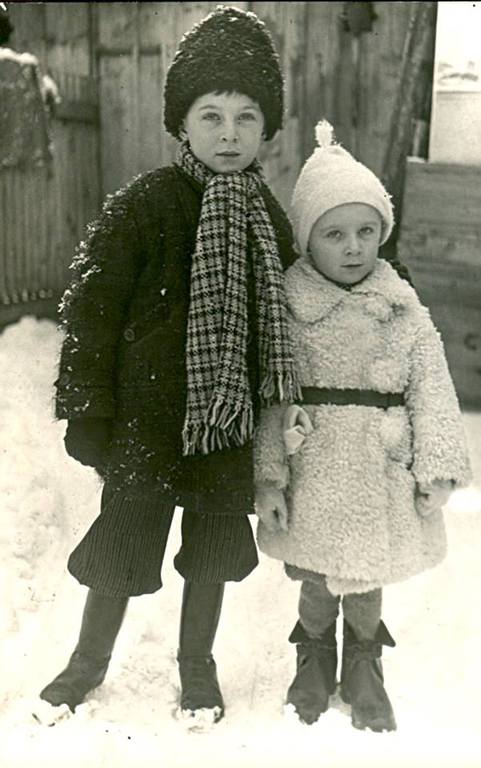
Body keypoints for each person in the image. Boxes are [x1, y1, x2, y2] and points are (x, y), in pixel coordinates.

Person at [36, 5, 302, 728]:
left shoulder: (266, 218)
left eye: (245, 118)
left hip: (225, 420)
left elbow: (297, 308)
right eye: (210, 116)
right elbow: (91, 312)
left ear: (266, 130)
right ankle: (86, 662)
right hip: (147, 417)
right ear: (180, 125)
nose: (227, 134)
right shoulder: (145, 203)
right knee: (124, 542)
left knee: (212, 548)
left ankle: (197, 663)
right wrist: (86, 407)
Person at [254, 121, 471, 732]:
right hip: (317, 466)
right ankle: (314, 657)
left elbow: (433, 387)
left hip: (380, 467)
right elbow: (272, 394)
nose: (354, 247)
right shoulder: (288, 309)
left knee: (369, 574)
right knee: (321, 573)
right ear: (305, 241)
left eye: (366, 232)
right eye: (335, 234)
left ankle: (365, 663)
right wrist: (269, 477)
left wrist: (439, 468)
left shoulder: (400, 304)